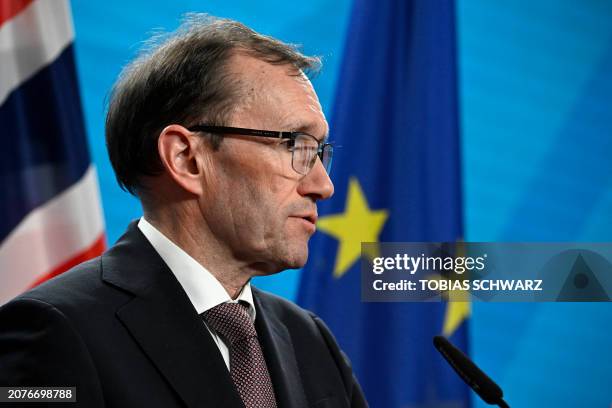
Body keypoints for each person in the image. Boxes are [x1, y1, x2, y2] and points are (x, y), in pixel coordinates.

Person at [0, 15, 367, 408]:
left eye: (319, 153)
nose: (323, 186)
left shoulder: (309, 341)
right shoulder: (55, 331)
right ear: (187, 158)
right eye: (296, 145)